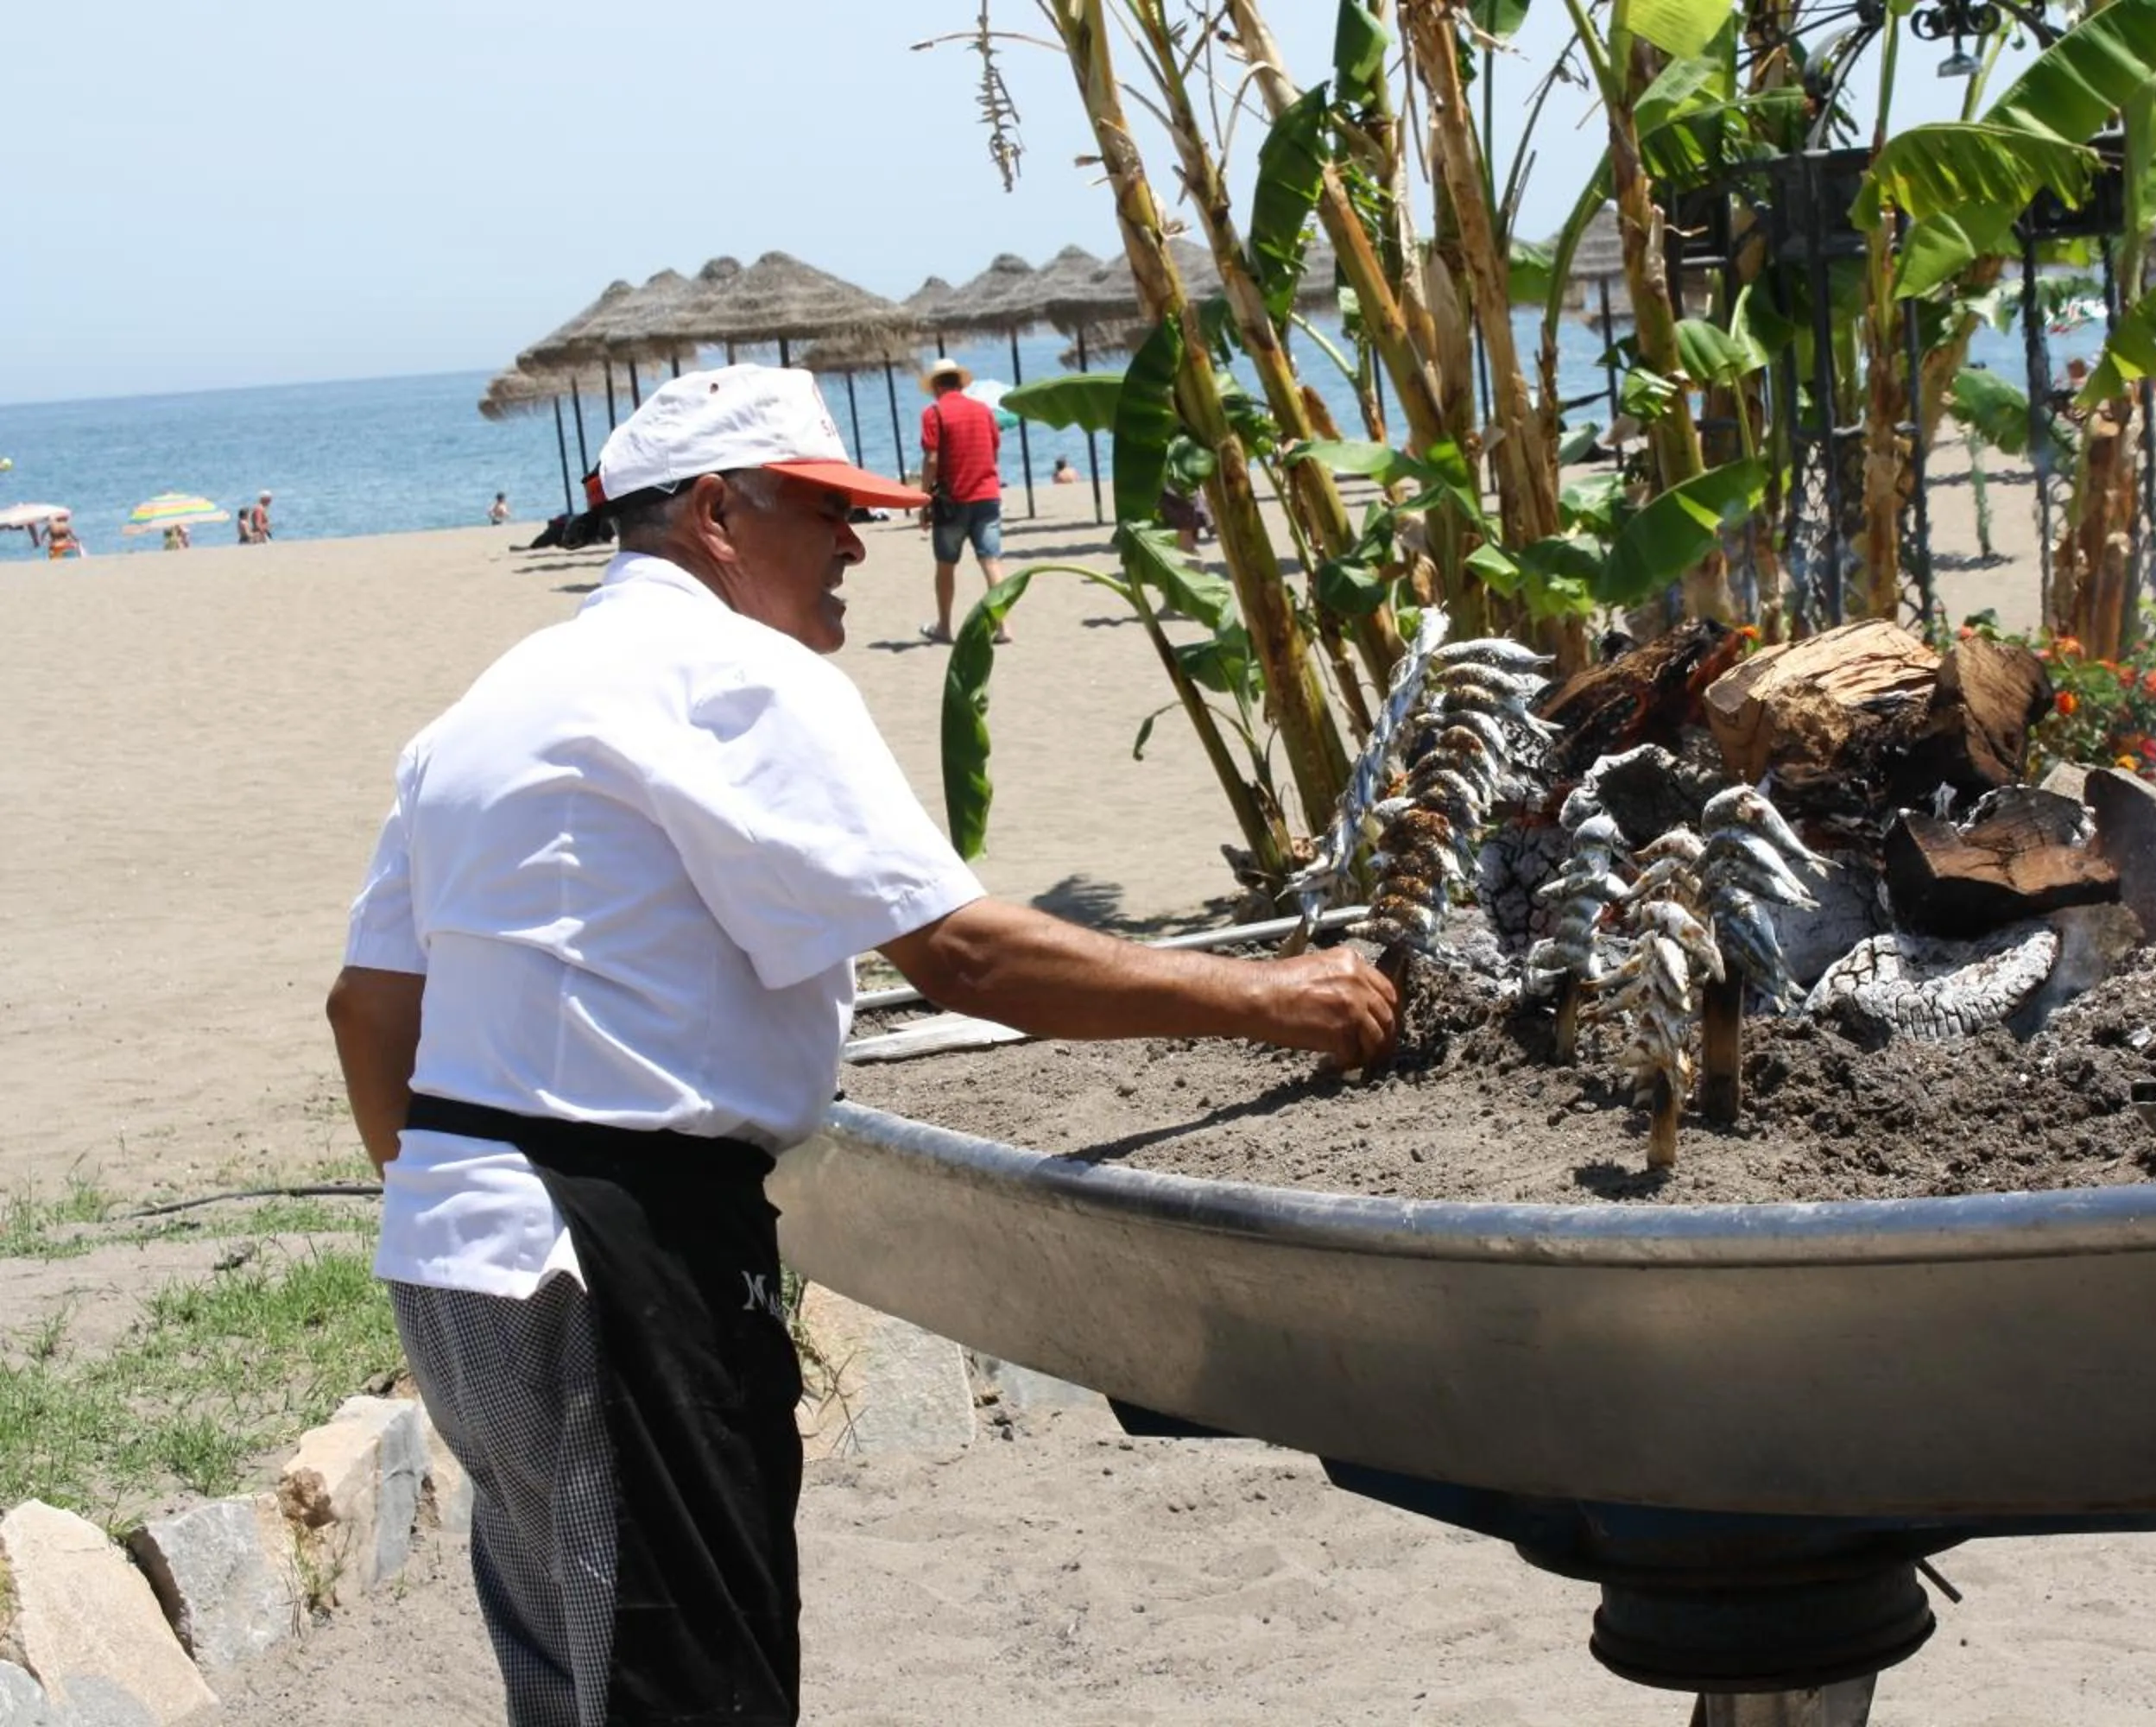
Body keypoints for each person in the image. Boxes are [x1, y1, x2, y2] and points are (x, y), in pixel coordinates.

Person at [326, 364, 1393, 1727]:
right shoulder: (739, 677)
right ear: (717, 513)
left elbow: (368, 1012)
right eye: (828, 509)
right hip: (607, 1247)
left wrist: (451, 1183)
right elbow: (965, 956)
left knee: (575, 1672)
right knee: (688, 1683)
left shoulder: (485, 703)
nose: (857, 542)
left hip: (457, 1251)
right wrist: (1278, 996)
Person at [916, 357, 1007, 645]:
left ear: (935, 387)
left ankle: (944, 626)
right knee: (991, 562)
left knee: (945, 564)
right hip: (987, 495)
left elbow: (932, 459)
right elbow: (994, 451)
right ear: (959, 383)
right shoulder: (983, 411)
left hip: (952, 500)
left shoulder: (935, 414)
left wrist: (924, 498)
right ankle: (1004, 626)